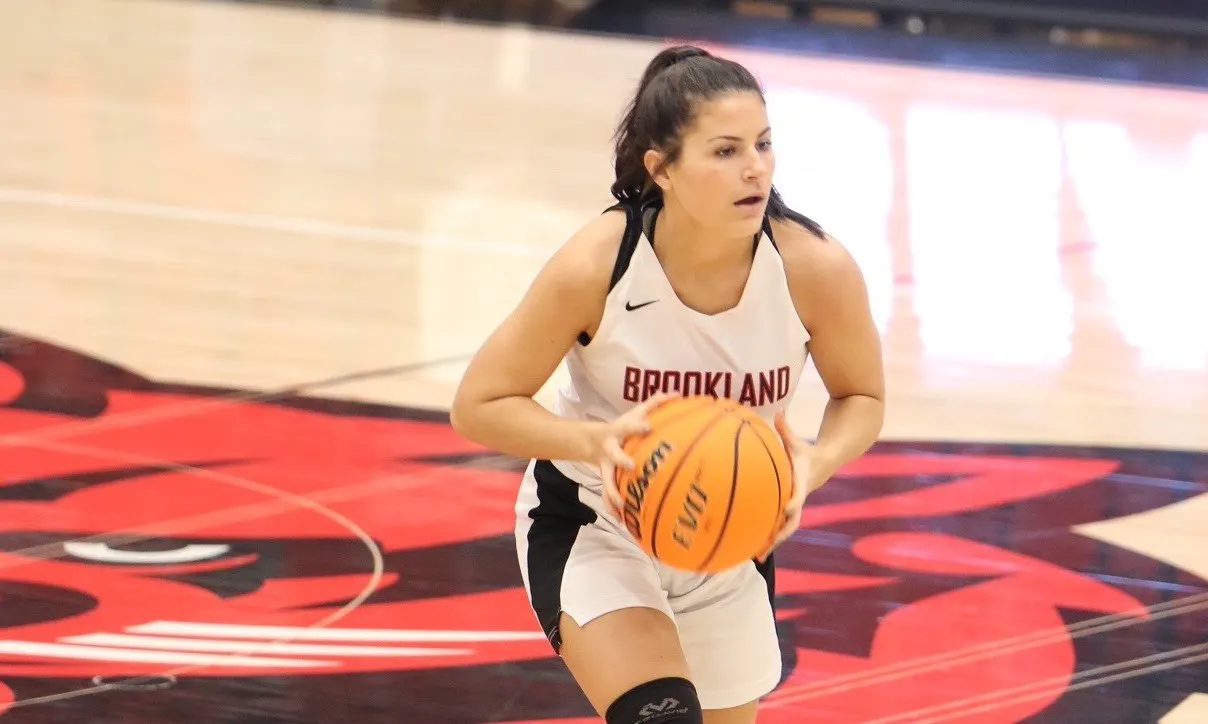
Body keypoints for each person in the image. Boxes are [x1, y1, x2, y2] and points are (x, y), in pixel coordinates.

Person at [451, 45, 885, 724]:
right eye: (725, 151)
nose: (755, 167)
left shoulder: (814, 268)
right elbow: (478, 404)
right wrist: (596, 442)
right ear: (662, 169)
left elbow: (862, 396)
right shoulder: (598, 264)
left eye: (764, 144)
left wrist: (814, 462)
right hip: (597, 518)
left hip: (729, 530)